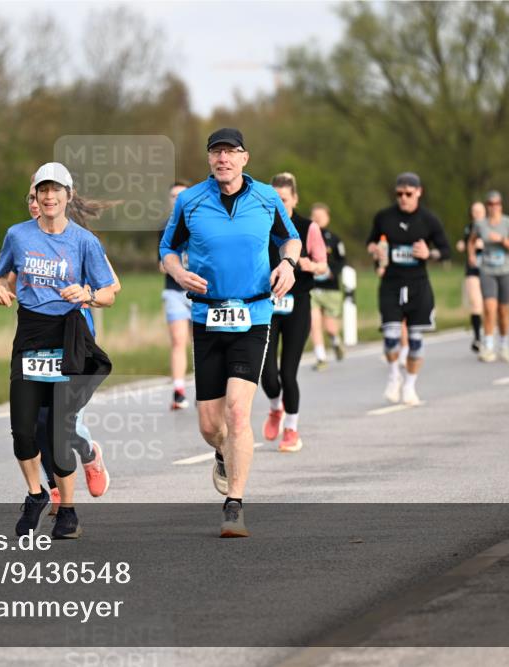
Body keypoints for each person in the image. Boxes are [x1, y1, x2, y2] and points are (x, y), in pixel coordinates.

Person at [160, 128, 301, 538]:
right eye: (216, 153)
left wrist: (288, 266)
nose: (223, 159)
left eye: (230, 152)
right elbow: (166, 249)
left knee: (239, 411)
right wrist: (178, 271)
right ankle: (222, 453)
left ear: (245, 158)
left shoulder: (266, 199)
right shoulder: (190, 201)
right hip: (206, 317)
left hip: (254, 314)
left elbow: (289, 239)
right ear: (209, 160)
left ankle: (234, 505)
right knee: (210, 425)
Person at [0, 162, 117, 539]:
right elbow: (0, 271)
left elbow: (110, 291)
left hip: (67, 335)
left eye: (55, 190)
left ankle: (69, 513)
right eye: (42, 190)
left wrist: (88, 294)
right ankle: (35, 493)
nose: (48, 197)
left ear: (67, 196)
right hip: (29, 334)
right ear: (36, 196)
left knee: (58, 431)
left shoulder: (84, 242)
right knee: (23, 432)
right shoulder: (17, 235)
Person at [366, 172, 451, 405]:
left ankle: (410, 385)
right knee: (391, 337)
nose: (403, 198)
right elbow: (371, 242)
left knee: (415, 340)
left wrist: (429, 253)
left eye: (408, 194)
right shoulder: (384, 217)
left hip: (418, 285)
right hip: (391, 283)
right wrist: (375, 251)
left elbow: (446, 250)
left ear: (419, 192)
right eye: (399, 194)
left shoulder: (429, 220)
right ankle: (394, 376)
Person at [260, 173, 328, 453]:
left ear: (295, 199)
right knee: (266, 372)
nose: (279, 204)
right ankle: (275, 407)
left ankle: (291, 429)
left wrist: (306, 264)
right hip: (268, 303)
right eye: (274, 199)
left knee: (289, 372)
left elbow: (323, 265)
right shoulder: (261, 224)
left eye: (284, 200)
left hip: (297, 303)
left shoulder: (307, 227)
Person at [468, 191, 509, 363]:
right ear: (487, 206)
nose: (493, 207)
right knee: (489, 308)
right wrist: (471, 256)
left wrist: (502, 240)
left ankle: (503, 344)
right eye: (490, 204)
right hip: (487, 271)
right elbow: (471, 240)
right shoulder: (481, 224)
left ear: (501, 205)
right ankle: (489, 347)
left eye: (496, 204)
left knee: (503, 311)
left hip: (505, 271)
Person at [158, 181, 192, 409]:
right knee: (179, 341)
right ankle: (178, 391)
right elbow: (162, 265)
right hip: (174, 291)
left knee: (202, 342)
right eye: (173, 196)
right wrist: (177, 265)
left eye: (181, 195)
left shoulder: (203, 223)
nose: (176, 199)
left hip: (200, 292)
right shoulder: (165, 228)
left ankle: (207, 391)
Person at [309, 202, 347, 371]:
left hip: (331, 288)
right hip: (312, 288)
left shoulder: (335, 239)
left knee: (330, 327)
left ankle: (335, 341)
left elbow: (342, 261)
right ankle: (321, 357)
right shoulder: (305, 236)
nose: (317, 220)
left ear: (327, 218)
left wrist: (332, 271)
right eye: (314, 217)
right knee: (313, 323)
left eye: (320, 217)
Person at [457, 202, 486, 352]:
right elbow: (467, 242)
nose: (476, 214)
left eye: (479, 211)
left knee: (488, 304)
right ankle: (477, 337)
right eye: (474, 211)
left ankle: (489, 336)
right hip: (472, 268)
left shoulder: (491, 227)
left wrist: (484, 245)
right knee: (475, 302)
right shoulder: (469, 228)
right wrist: (462, 244)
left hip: (489, 269)